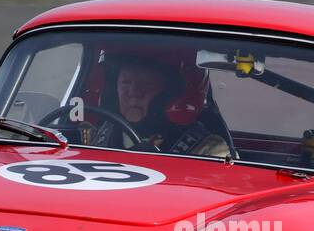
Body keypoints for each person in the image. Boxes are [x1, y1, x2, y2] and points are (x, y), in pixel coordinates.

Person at [90, 56, 230, 157]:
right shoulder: (99, 133)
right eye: (125, 82)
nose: (133, 92)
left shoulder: (209, 149)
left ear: (170, 94)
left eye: (145, 83)